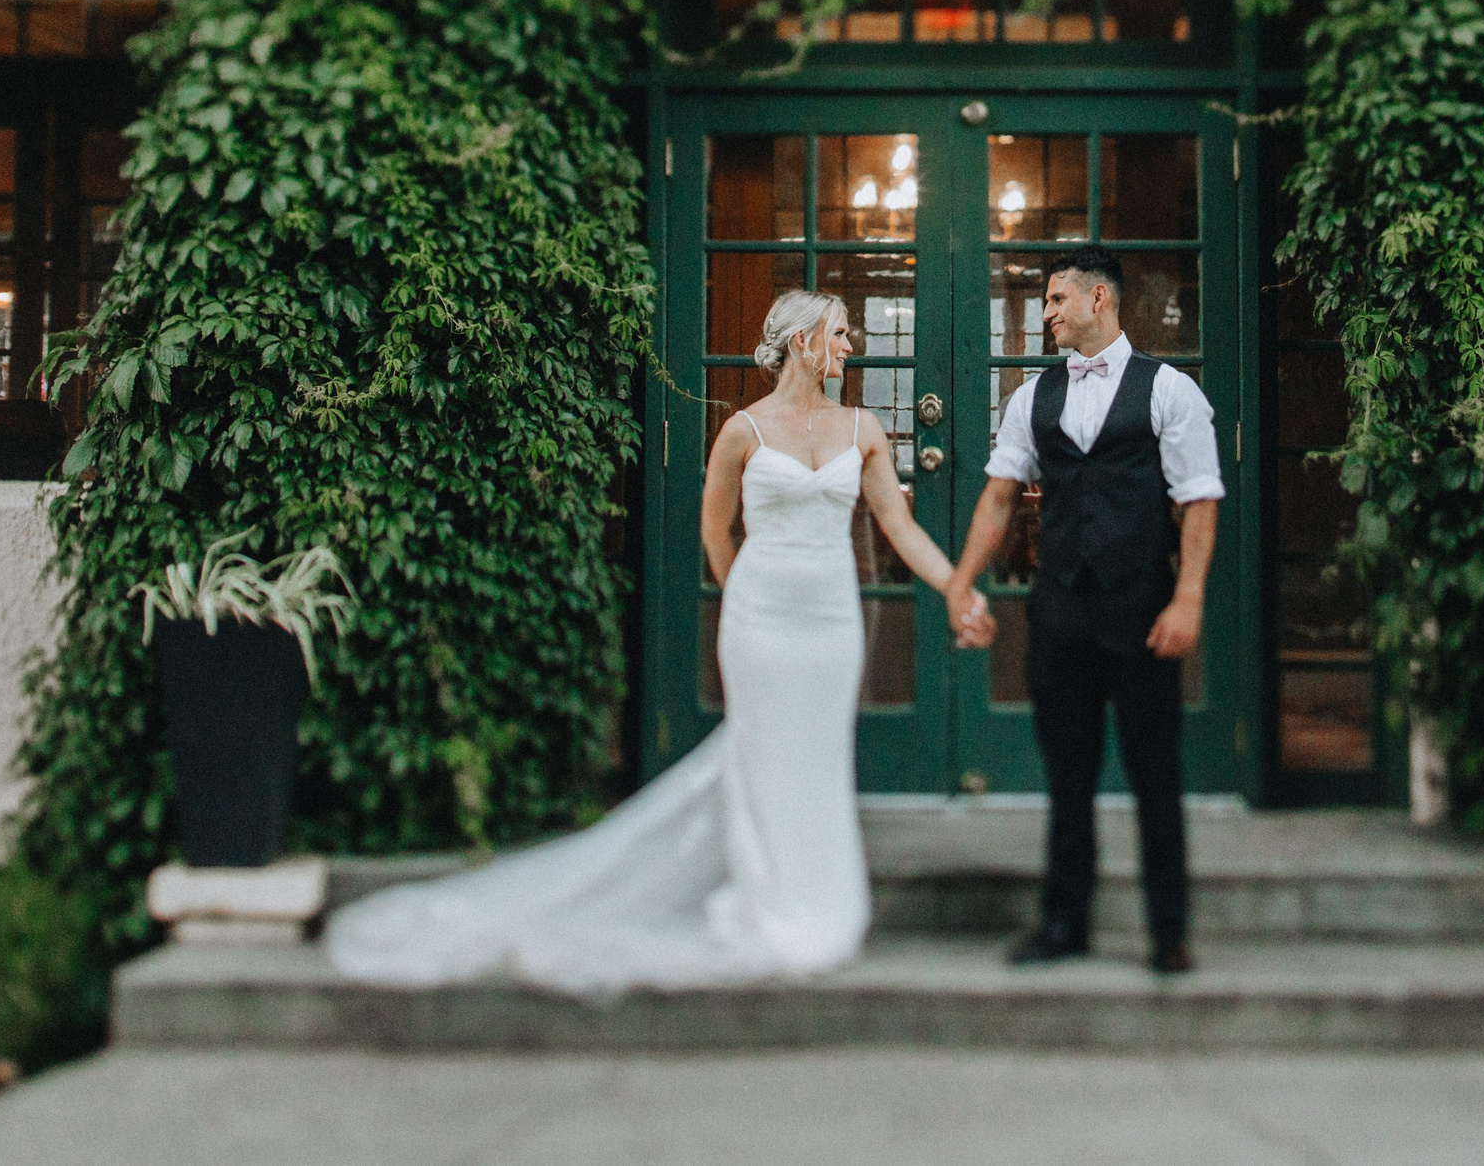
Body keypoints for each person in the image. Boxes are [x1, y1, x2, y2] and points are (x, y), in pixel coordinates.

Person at [325, 289, 963, 991]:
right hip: (760, 618)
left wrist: (958, 587)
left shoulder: (862, 428)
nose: (850, 346)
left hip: (834, 623)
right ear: (805, 341)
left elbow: (899, 529)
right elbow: (715, 531)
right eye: (841, 334)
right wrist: (747, 596)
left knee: (818, 754)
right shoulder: (743, 431)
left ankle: (822, 903)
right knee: (763, 753)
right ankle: (769, 898)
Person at [944, 245, 1222, 975]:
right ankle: (1063, 924)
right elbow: (999, 496)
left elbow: (1198, 500)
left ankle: (1170, 932)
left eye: (1056, 299)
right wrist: (960, 581)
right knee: (1067, 776)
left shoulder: (1170, 391)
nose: (1046, 313)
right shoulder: (1030, 398)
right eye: (1043, 302)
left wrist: (1189, 596)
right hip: (1060, 612)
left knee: (1154, 773)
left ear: (1101, 299)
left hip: (1143, 611)